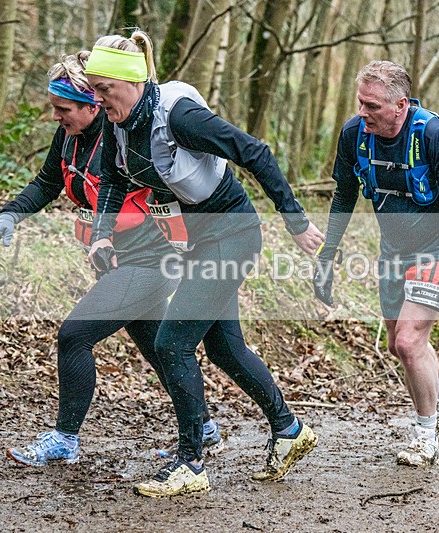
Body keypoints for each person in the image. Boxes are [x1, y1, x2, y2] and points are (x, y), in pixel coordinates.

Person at [83, 30, 324, 497]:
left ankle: (191, 462)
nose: (97, 98)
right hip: (198, 240)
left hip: (232, 236)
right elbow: (111, 178)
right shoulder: (119, 121)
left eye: (104, 88)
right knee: (223, 349)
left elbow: (254, 152)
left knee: (172, 343)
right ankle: (290, 430)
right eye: (93, 89)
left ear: (131, 81)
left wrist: (295, 220)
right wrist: (102, 234)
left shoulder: (180, 117)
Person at [0, 52, 221, 468]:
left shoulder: (124, 137)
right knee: (159, 348)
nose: (56, 116)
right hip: (117, 259)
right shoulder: (69, 136)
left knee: (74, 335)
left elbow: (181, 184)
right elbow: (47, 182)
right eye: (55, 108)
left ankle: (65, 438)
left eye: (64, 109)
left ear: (91, 105)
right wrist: (9, 215)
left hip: (152, 258)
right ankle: (202, 425)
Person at [313, 60, 439, 466]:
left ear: (400, 105)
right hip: (394, 250)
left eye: (372, 106)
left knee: (408, 341)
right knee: (397, 345)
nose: (363, 113)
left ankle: (426, 436)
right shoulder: (355, 134)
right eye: (360, 103)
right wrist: (327, 255)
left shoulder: (432, 135)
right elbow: (344, 195)